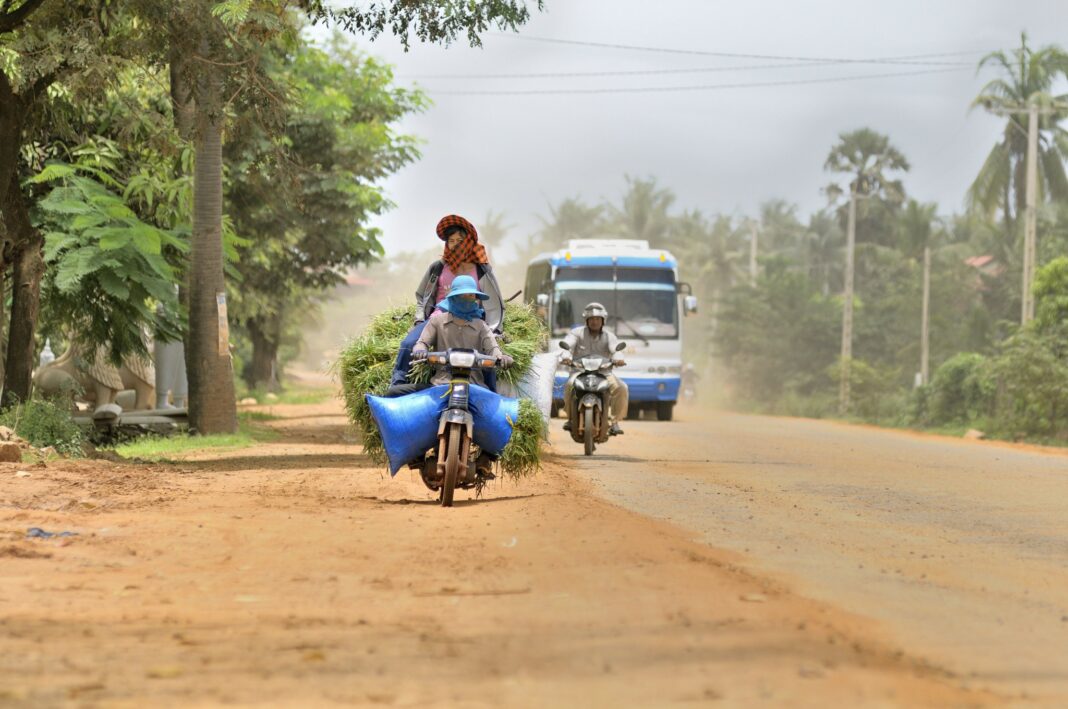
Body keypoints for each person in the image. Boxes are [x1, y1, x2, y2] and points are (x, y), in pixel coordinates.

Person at [387, 275, 513, 477]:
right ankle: (415, 453)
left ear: (476, 298)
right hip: (441, 384)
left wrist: (501, 357)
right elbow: (422, 342)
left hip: (474, 387)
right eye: (462, 295)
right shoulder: (437, 321)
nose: (467, 299)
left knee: (506, 417)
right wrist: (420, 349)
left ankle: (485, 460)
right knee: (393, 394)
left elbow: (493, 349)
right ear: (453, 297)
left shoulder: (481, 326)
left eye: (471, 295)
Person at [391, 215, 505, 390]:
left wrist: (494, 329)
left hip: (471, 317)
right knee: (408, 345)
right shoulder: (438, 267)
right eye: (451, 241)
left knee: (488, 356)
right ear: (446, 243)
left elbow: (493, 303)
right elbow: (423, 296)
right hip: (440, 318)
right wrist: (420, 319)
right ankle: (398, 386)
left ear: (469, 241)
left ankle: (491, 393)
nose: (456, 244)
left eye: (460, 240)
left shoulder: (482, 269)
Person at [560, 302, 628, 436]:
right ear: (586, 320)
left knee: (621, 388)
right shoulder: (576, 333)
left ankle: (614, 422)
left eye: (597, 319)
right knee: (569, 385)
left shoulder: (609, 336)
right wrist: (566, 356)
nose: (594, 322)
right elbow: (568, 345)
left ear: (603, 320)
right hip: (579, 371)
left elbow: (615, 349)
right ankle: (570, 418)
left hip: (603, 372)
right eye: (591, 319)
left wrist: (619, 359)